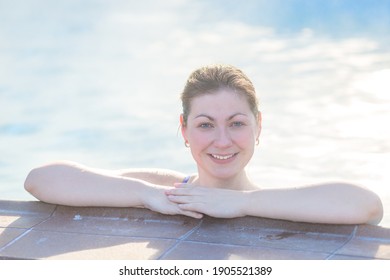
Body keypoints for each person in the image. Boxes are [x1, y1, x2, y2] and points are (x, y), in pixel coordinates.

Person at [24, 64, 383, 224]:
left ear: (259, 126)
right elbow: (40, 179)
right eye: (205, 124)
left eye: (237, 123)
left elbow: (367, 206)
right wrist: (146, 195)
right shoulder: (168, 188)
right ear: (183, 131)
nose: (222, 140)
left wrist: (241, 204)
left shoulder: (276, 201)